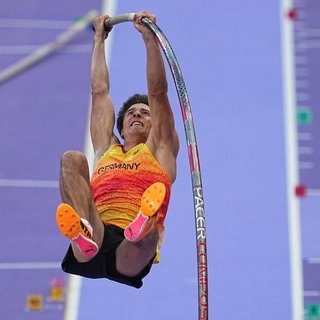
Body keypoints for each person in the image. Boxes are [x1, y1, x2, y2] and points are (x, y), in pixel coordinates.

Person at [56, 10, 179, 289]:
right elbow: (99, 91)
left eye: (145, 114)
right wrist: (99, 38)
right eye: (132, 113)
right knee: (72, 159)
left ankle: (141, 223)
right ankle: (82, 231)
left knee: (145, 237)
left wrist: (149, 38)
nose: (138, 115)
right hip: (96, 235)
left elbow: (158, 93)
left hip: (130, 252)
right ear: (121, 128)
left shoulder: (160, 151)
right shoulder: (106, 149)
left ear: (155, 124)